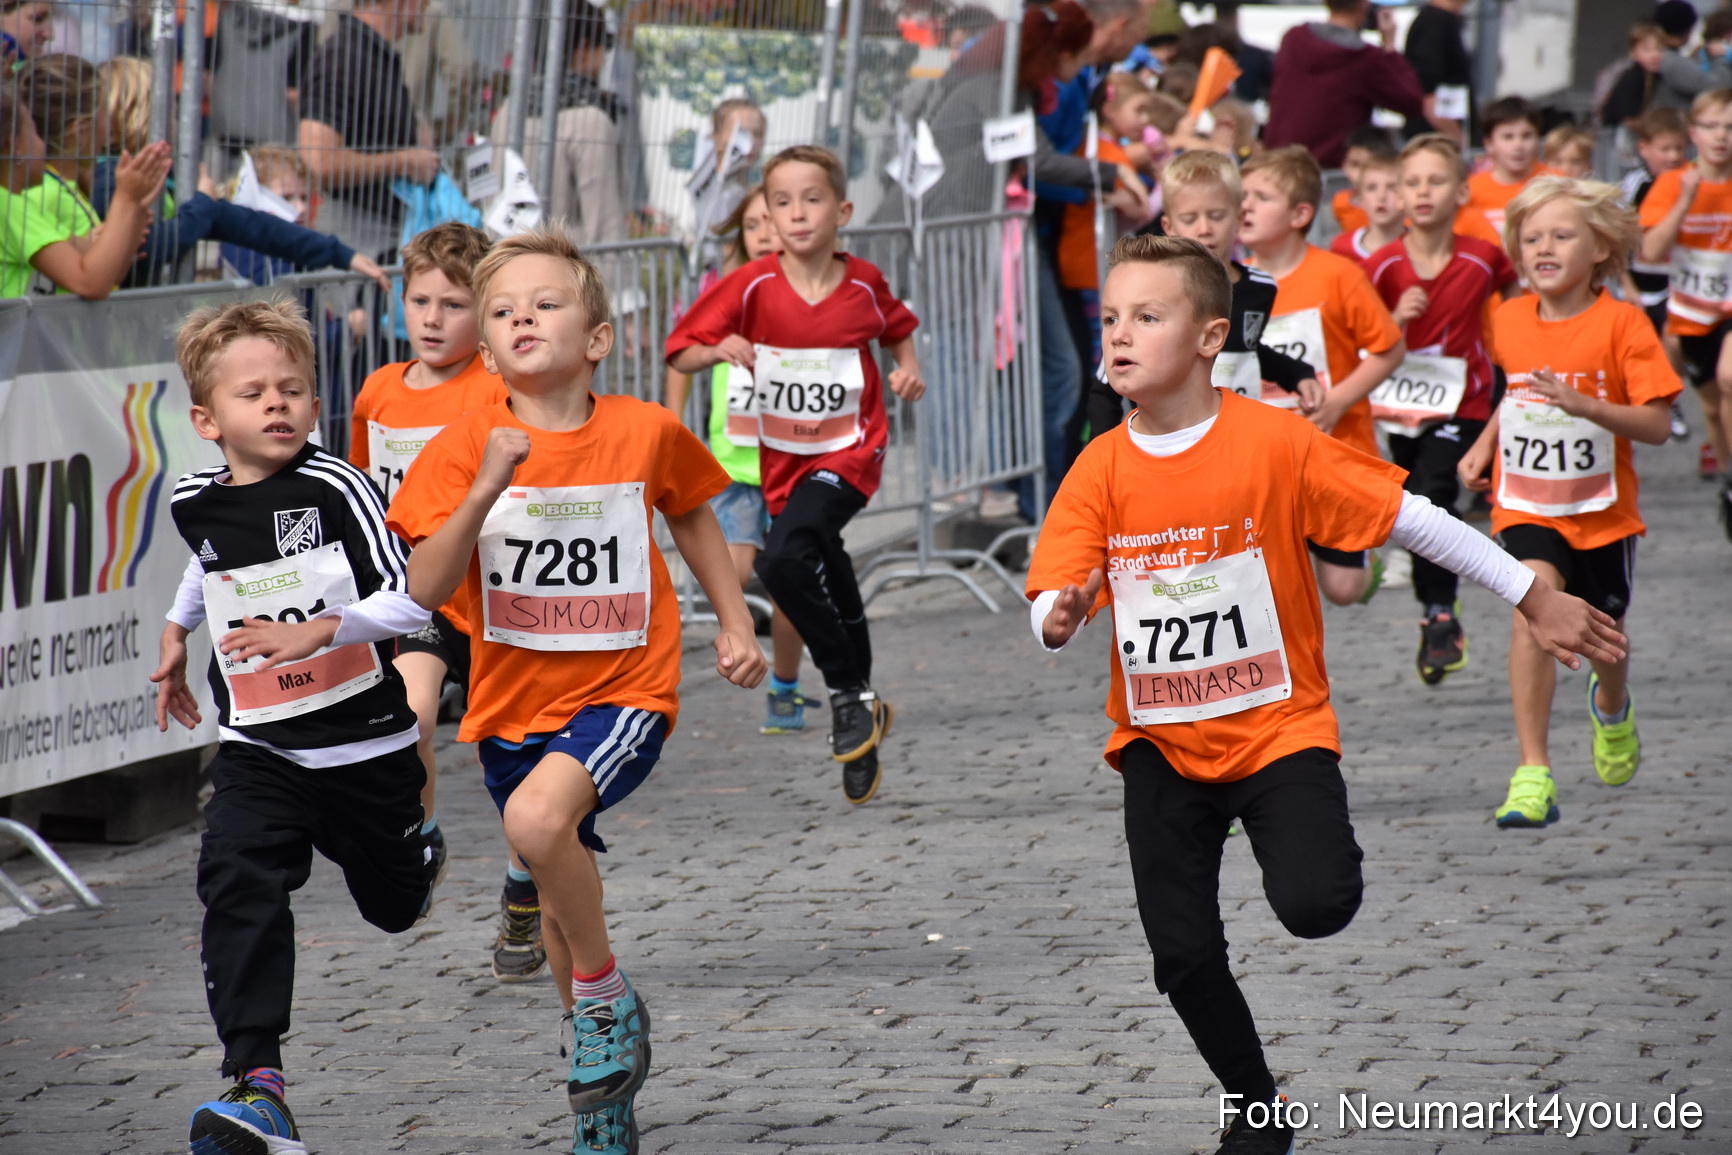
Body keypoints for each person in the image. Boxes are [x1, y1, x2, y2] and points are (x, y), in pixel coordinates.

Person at [1030, 232, 1623, 1155]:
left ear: (1208, 336)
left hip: (1278, 727)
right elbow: (1052, 591)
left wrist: (1534, 592)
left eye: (1147, 316)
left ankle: (1303, 851)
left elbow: (1412, 519)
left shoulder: (1273, 442)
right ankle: (1256, 1105)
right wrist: (1056, 617)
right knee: (1181, 952)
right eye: (1110, 317)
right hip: (1158, 741)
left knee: (1316, 903)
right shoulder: (1100, 465)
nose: (1118, 335)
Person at [388, 227, 767, 1153]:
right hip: (512, 705)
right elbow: (424, 590)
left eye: (546, 302)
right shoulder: (464, 443)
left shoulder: (643, 428)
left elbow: (691, 514)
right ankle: (602, 1089)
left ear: (596, 337)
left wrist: (736, 619)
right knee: (559, 908)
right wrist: (483, 487)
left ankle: (603, 998)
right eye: (505, 309)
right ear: (486, 348)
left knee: (534, 827)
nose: (523, 316)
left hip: (624, 690)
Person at [150, 297, 436, 1155]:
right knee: (235, 870)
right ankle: (257, 1083)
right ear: (207, 418)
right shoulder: (195, 500)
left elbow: (410, 597)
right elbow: (209, 571)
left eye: (293, 389)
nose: (277, 404)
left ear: (316, 403)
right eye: (254, 393)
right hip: (262, 740)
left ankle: (416, 854)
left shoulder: (337, 486)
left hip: (364, 747)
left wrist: (323, 628)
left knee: (392, 907)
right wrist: (174, 632)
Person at [666, 145, 925, 805]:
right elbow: (681, 349)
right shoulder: (751, 286)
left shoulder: (863, 281)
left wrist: (906, 368)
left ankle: (843, 689)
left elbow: (897, 327)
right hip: (783, 461)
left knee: (782, 559)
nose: (797, 213)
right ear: (766, 217)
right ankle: (862, 700)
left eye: (811, 200)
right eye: (782, 203)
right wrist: (715, 348)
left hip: (851, 451)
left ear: (842, 210)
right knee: (822, 551)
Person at [346, 222, 547, 982]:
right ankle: (422, 833)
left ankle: (525, 883)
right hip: (420, 597)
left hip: (497, 595)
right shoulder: (378, 391)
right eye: (419, 300)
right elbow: (366, 496)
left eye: (455, 304)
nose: (432, 318)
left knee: (517, 749)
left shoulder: (498, 390)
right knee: (412, 714)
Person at [1456, 178, 1678, 827]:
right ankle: (1534, 769)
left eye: (1560, 235)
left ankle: (1612, 707)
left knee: (1606, 639)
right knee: (1533, 604)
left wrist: (1588, 406)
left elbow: (1659, 423)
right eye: (1531, 238)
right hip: (1526, 502)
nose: (1543, 247)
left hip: (1604, 512)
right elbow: (1517, 391)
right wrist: (1484, 446)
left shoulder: (1623, 324)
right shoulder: (1510, 317)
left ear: (1600, 247)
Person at [1364, 134, 1521, 684]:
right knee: (1415, 506)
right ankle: (1435, 609)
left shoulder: (1483, 257)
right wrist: (1396, 319)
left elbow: (1517, 293)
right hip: (1399, 406)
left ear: (1460, 192)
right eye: (1412, 182)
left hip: (1467, 398)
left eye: (1435, 181)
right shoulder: (1382, 266)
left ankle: (1440, 615)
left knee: (1434, 493)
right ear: (1399, 196)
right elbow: (1363, 336)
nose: (1422, 191)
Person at [663, 184, 814, 736]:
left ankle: (787, 687)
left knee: (788, 580)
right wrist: (673, 421)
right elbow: (681, 355)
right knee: (738, 569)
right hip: (736, 464)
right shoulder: (727, 292)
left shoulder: (811, 290)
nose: (764, 234)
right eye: (751, 226)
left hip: (796, 462)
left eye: (769, 221)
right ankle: (739, 638)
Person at [1239, 145, 1407, 606]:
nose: (1244, 206)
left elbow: (1389, 349)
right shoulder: (1231, 283)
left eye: (1261, 196)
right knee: (1271, 585)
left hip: (1335, 448)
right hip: (1264, 458)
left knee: (1342, 590)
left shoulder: (1336, 275)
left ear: (1299, 214)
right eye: (1241, 195)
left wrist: (1337, 402)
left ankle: (1364, 565)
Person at [88, 57, 392, 292]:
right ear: (141, 112)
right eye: (169, 107)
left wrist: (337, 253)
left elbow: (253, 225)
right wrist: (204, 202)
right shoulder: (108, 179)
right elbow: (151, 248)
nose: (177, 117)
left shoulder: (166, 176)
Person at [1085, 148, 1322, 440]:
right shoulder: (1148, 294)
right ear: (1169, 227)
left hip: (1239, 442)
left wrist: (1297, 373)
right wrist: (1103, 456)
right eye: (1190, 218)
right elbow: (1106, 383)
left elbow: (1246, 347)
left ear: (1239, 218)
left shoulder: (1261, 287)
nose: (1204, 228)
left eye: (1216, 215)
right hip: (1169, 446)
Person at [1637, 87, 1732, 526]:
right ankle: (1728, 478)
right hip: (1693, 313)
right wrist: (1685, 202)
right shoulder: (1673, 183)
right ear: (1694, 132)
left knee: (1731, 379)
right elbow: (1652, 251)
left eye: (1730, 127)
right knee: (1713, 406)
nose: (1722, 137)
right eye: (1712, 126)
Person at [4, 54, 171, 299]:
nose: (111, 125)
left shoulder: (50, 192)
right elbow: (90, 282)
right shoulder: (18, 202)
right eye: (33, 132)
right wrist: (125, 200)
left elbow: (108, 270)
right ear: (13, 145)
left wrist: (130, 216)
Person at [297, 0, 441, 265]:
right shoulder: (343, 58)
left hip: (381, 237)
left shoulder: (373, 55)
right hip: (354, 241)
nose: (429, 4)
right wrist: (404, 161)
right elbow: (319, 162)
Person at [488, 3, 628, 249]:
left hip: (505, 263)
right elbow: (606, 230)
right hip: (565, 274)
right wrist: (621, 285)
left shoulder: (510, 111)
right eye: (603, 48)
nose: (604, 60)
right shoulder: (590, 121)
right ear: (584, 48)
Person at [1263, 0, 1424, 169]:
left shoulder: (1293, 38)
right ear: (1363, 4)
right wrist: (1390, 47)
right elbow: (1411, 101)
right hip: (1330, 168)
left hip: (1278, 162)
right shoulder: (1365, 59)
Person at [1459, 96, 1547, 238]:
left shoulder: (1558, 183)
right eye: (1508, 137)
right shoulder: (1471, 191)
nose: (1518, 146)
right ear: (1489, 144)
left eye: (1526, 136)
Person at [1402, 0, 1472, 145]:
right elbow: (1426, 94)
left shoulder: (1446, 20)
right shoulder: (1434, 22)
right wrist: (1459, 140)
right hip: (1435, 142)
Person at [1650, 0, 1732, 112]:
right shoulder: (1671, 61)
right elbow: (1720, 88)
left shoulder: (1665, 56)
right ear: (1688, 29)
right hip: (1673, 123)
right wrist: (1720, 56)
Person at [1328, 147, 1403, 261]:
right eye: (1371, 188)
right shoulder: (1341, 248)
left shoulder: (1423, 246)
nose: (1381, 196)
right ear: (1360, 197)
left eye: (1391, 187)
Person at [1331, 125, 1397, 236]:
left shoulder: (1402, 209)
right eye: (1355, 164)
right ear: (1344, 166)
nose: (1360, 173)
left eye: (1368, 166)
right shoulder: (1340, 202)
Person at [1600, 23, 1667, 130]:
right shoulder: (1633, 78)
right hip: (1616, 133)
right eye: (1647, 50)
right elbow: (1628, 118)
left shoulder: (1655, 77)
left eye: (1659, 49)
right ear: (1633, 54)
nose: (1655, 54)